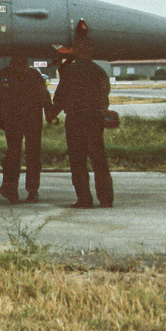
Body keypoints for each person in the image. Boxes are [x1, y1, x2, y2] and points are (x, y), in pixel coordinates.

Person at [53, 36, 113, 208]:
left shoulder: (71, 70)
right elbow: (105, 95)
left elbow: (61, 95)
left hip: (76, 119)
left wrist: (52, 113)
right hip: (95, 119)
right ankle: (106, 199)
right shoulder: (99, 71)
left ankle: (84, 199)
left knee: (78, 160)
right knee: (99, 159)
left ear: (76, 50)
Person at [0, 55, 55, 203]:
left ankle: (33, 190)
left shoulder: (34, 75)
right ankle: (11, 187)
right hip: (12, 121)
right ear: (12, 62)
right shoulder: (3, 75)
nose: (20, 64)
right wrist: (2, 118)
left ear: (26, 62)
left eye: (22, 61)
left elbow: (44, 95)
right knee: (13, 154)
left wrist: (49, 113)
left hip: (32, 120)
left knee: (33, 154)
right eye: (16, 61)